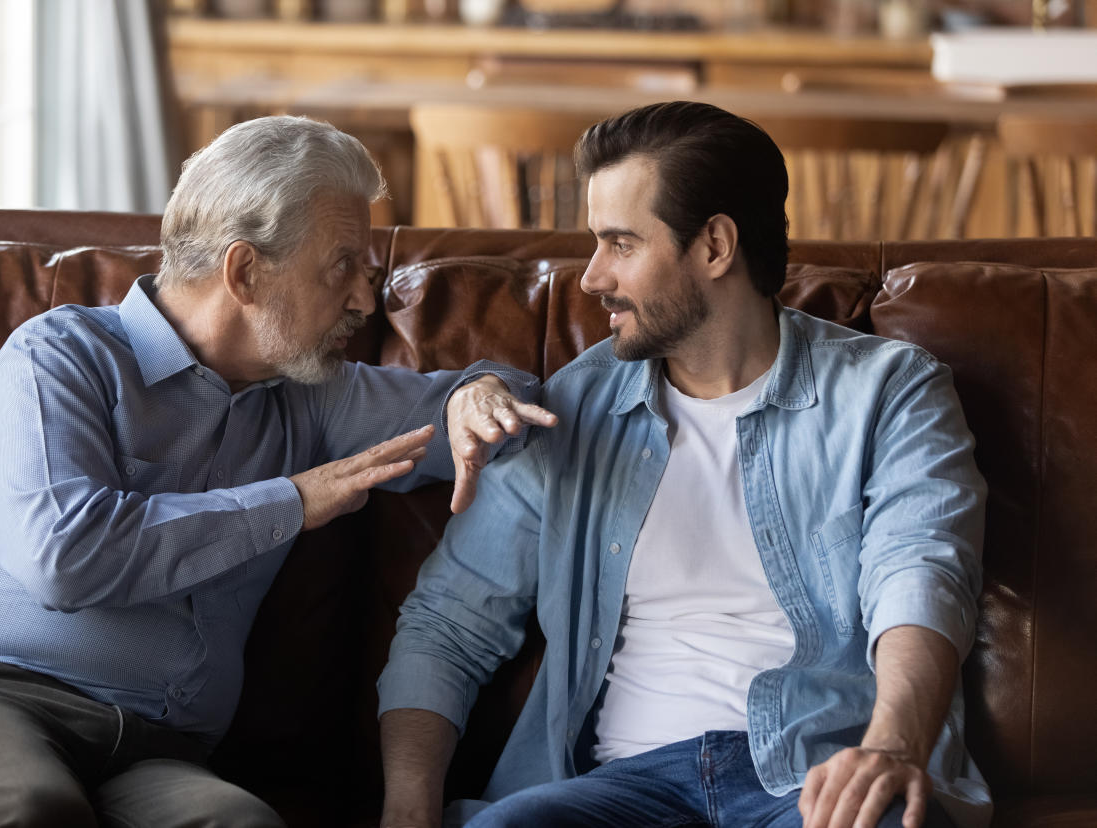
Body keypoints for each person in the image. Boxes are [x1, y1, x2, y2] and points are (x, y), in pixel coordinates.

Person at [0, 116, 556, 828]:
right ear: (245, 271)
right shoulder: (56, 359)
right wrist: (289, 502)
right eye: (341, 266)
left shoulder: (311, 397)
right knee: (24, 813)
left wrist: (480, 395)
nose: (364, 302)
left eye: (370, 273)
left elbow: (514, 406)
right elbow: (63, 556)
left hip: (157, 753)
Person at [377, 101, 991, 828]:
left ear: (714, 247)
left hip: (811, 782)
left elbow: (920, 572)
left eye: (621, 244)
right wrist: (408, 812)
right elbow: (448, 623)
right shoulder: (572, 409)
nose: (593, 277)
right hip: (614, 788)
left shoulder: (889, 390)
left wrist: (891, 747)